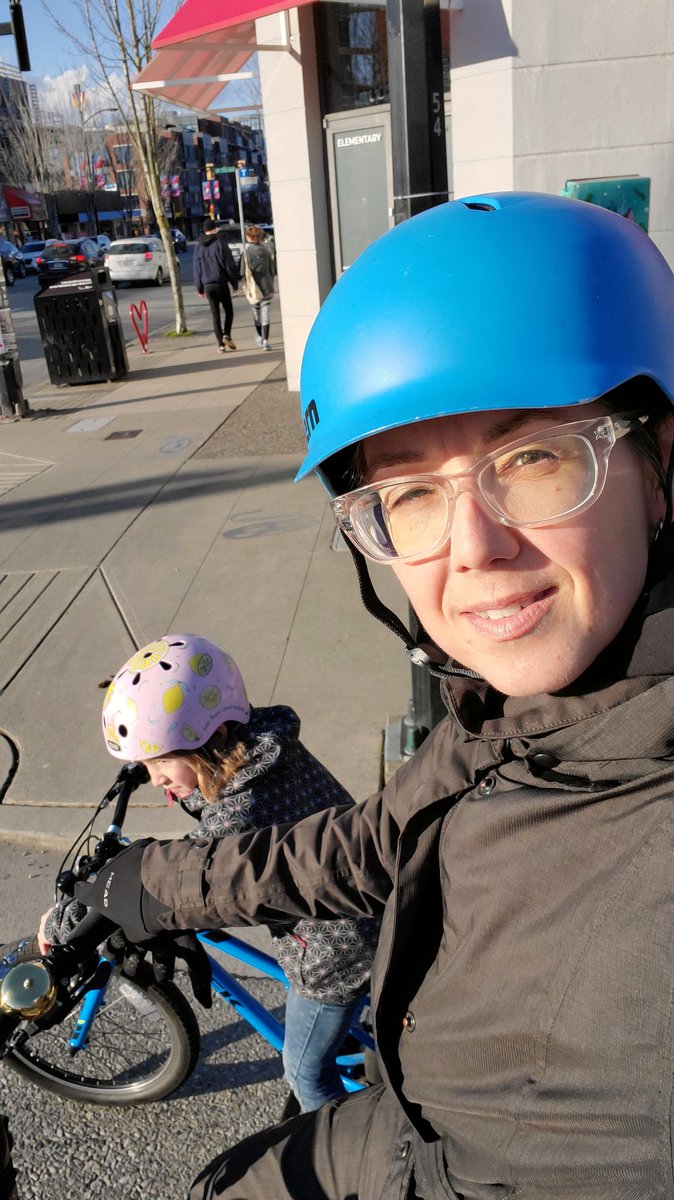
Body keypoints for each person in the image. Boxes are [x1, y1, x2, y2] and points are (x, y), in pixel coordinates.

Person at [72, 193, 674, 1200]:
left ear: (658, 462)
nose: (472, 549)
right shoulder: (511, 714)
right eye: (409, 492)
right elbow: (370, 845)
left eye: (530, 459)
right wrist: (151, 886)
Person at [39, 634, 379, 1115]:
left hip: (339, 956)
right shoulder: (261, 743)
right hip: (367, 901)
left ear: (214, 738)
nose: (154, 778)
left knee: (304, 1071)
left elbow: (184, 874)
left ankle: (344, 1148)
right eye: (144, 764)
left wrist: (77, 912)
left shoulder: (246, 812)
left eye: (159, 761)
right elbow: (217, 802)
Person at [193, 219, 239, 355]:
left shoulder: (198, 247)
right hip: (221, 283)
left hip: (208, 285)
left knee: (215, 315)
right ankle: (227, 335)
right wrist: (234, 283)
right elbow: (229, 266)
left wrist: (199, 288)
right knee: (229, 311)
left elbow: (197, 269)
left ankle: (220, 345)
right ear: (214, 229)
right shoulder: (221, 244)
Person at [241, 225, 274, 350]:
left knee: (256, 314)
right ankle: (266, 340)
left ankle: (260, 337)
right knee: (266, 314)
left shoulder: (247, 252)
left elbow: (243, 272)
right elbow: (272, 269)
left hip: (254, 289)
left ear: (249, 237)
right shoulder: (266, 251)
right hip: (267, 286)